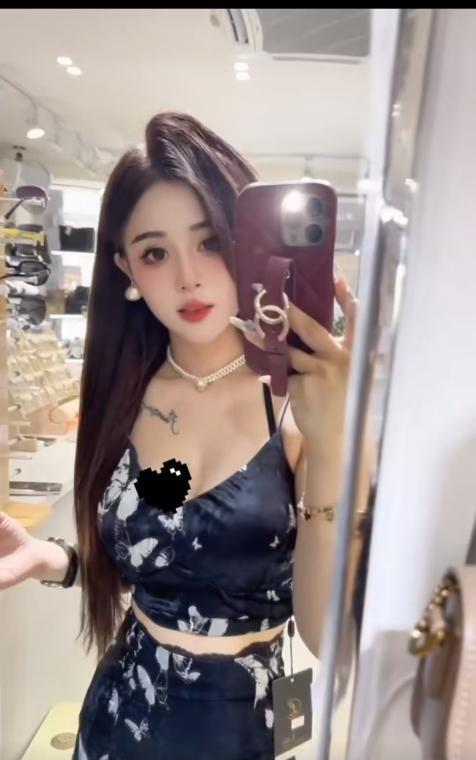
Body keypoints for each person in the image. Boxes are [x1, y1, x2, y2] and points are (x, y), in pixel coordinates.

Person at [0, 112, 364, 760]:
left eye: (210, 241)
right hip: (117, 721)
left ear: (246, 243)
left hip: (238, 735)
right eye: (155, 253)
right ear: (126, 270)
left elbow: (324, 632)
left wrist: (335, 443)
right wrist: (53, 560)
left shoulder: (298, 404)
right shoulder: (125, 391)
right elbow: (155, 561)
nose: (188, 277)